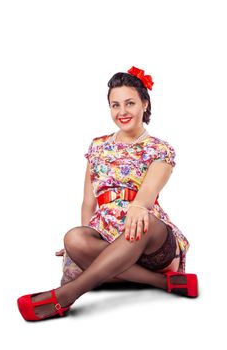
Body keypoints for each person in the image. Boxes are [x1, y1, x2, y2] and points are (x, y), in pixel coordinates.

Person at [17, 66, 199, 322]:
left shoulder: (159, 149)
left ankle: (66, 296)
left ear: (145, 104)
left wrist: (137, 207)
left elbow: (147, 193)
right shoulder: (98, 146)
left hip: (149, 235)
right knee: (75, 238)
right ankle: (162, 283)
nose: (122, 112)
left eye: (130, 103)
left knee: (140, 222)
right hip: (106, 235)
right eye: (115, 105)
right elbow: (88, 201)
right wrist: (80, 244)